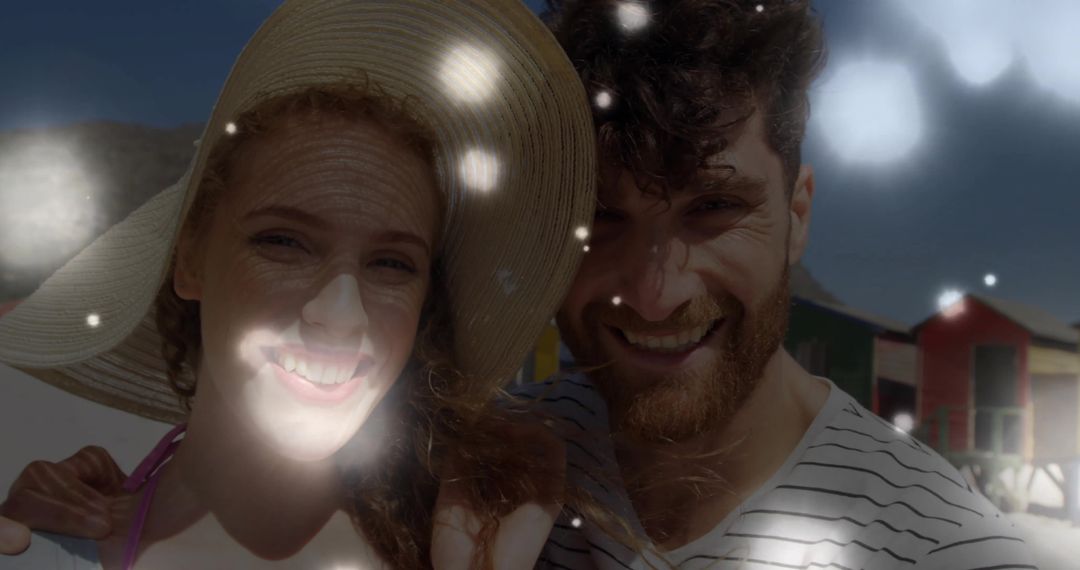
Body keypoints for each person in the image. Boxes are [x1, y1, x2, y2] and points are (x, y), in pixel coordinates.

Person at [2, 0, 1041, 569]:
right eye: (608, 223)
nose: (655, 291)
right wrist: (98, 501)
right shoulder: (495, 462)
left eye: (713, 210)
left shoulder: (949, 550)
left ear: (800, 211)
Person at [0, 0, 596, 567]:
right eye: (283, 242)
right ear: (191, 260)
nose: (341, 315)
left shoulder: (488, 545)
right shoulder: (40, 544)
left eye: (392, 264)